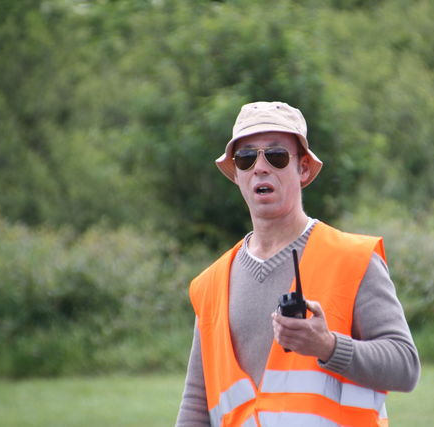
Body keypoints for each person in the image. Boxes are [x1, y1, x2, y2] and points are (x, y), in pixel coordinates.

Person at [175, 101, 420, 427]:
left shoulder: (353, 259)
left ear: (303, 168)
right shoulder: (211, 284)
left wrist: (328, 346)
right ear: (236, 174)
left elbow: (405, 367)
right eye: (246, 158)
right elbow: (197, 402)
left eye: (276, 156)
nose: (260, 168)